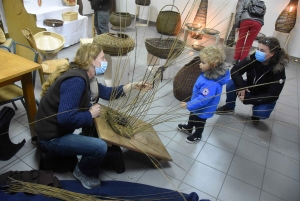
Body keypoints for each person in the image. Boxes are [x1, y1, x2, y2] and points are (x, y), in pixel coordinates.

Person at [34, 43, 149, 189]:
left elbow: (108, 93)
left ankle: (84, 148)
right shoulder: (76, 81)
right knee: (100, 147)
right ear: (91, 60)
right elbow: (65, 119)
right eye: (102, 58)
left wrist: (133, 85)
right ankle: (82, 172)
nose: (105, 62)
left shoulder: (84, 75)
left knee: (96, 122)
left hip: (52, 130)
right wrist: (89, 114)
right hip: (51, 138)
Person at [216, 37, 289, 123]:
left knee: (261, 112)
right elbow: (235, 70)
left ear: (272, 53)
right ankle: (229, 107)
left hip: (264, 95)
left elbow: (273, 95)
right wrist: (241, 86)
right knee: (231, 83)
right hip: (249, 86)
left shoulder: (278, 70)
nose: (258, 52)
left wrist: (248, 100)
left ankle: (256, 114)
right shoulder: (253, 58)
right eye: (258, 49)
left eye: (262, 50)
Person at [177, 46, 230, 143]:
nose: (200, 64)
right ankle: (189, 128)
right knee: (192, 115)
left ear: (213, 65)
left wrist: (189, 104)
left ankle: (198, 134)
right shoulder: (207, 74)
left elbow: (204, 99)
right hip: (196, 105)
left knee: (199, 121)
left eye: (203, 62)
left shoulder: (210, 83)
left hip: (203, 108)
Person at [232, 0, 265, 65]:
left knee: (240, 40)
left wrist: (237, 25)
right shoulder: (261, 2)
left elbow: (238, 12)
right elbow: (262, 15)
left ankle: (236, 59)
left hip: (246, 20)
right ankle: (242, 61)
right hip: (258, 23)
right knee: (249, 42)